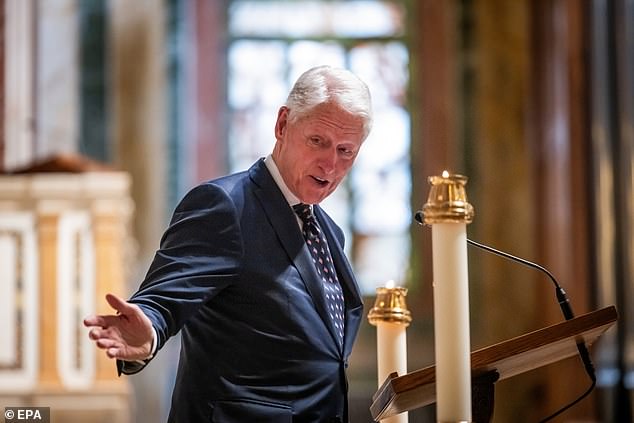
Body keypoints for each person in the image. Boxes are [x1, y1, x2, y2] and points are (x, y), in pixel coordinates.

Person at [84, 65, 373, 422]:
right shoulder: (225, 206)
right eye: (318, 141)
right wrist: (149, 334)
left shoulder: (329, 231)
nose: (330, 164)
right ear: (283, 124)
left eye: (346, 150)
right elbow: (165, 298)